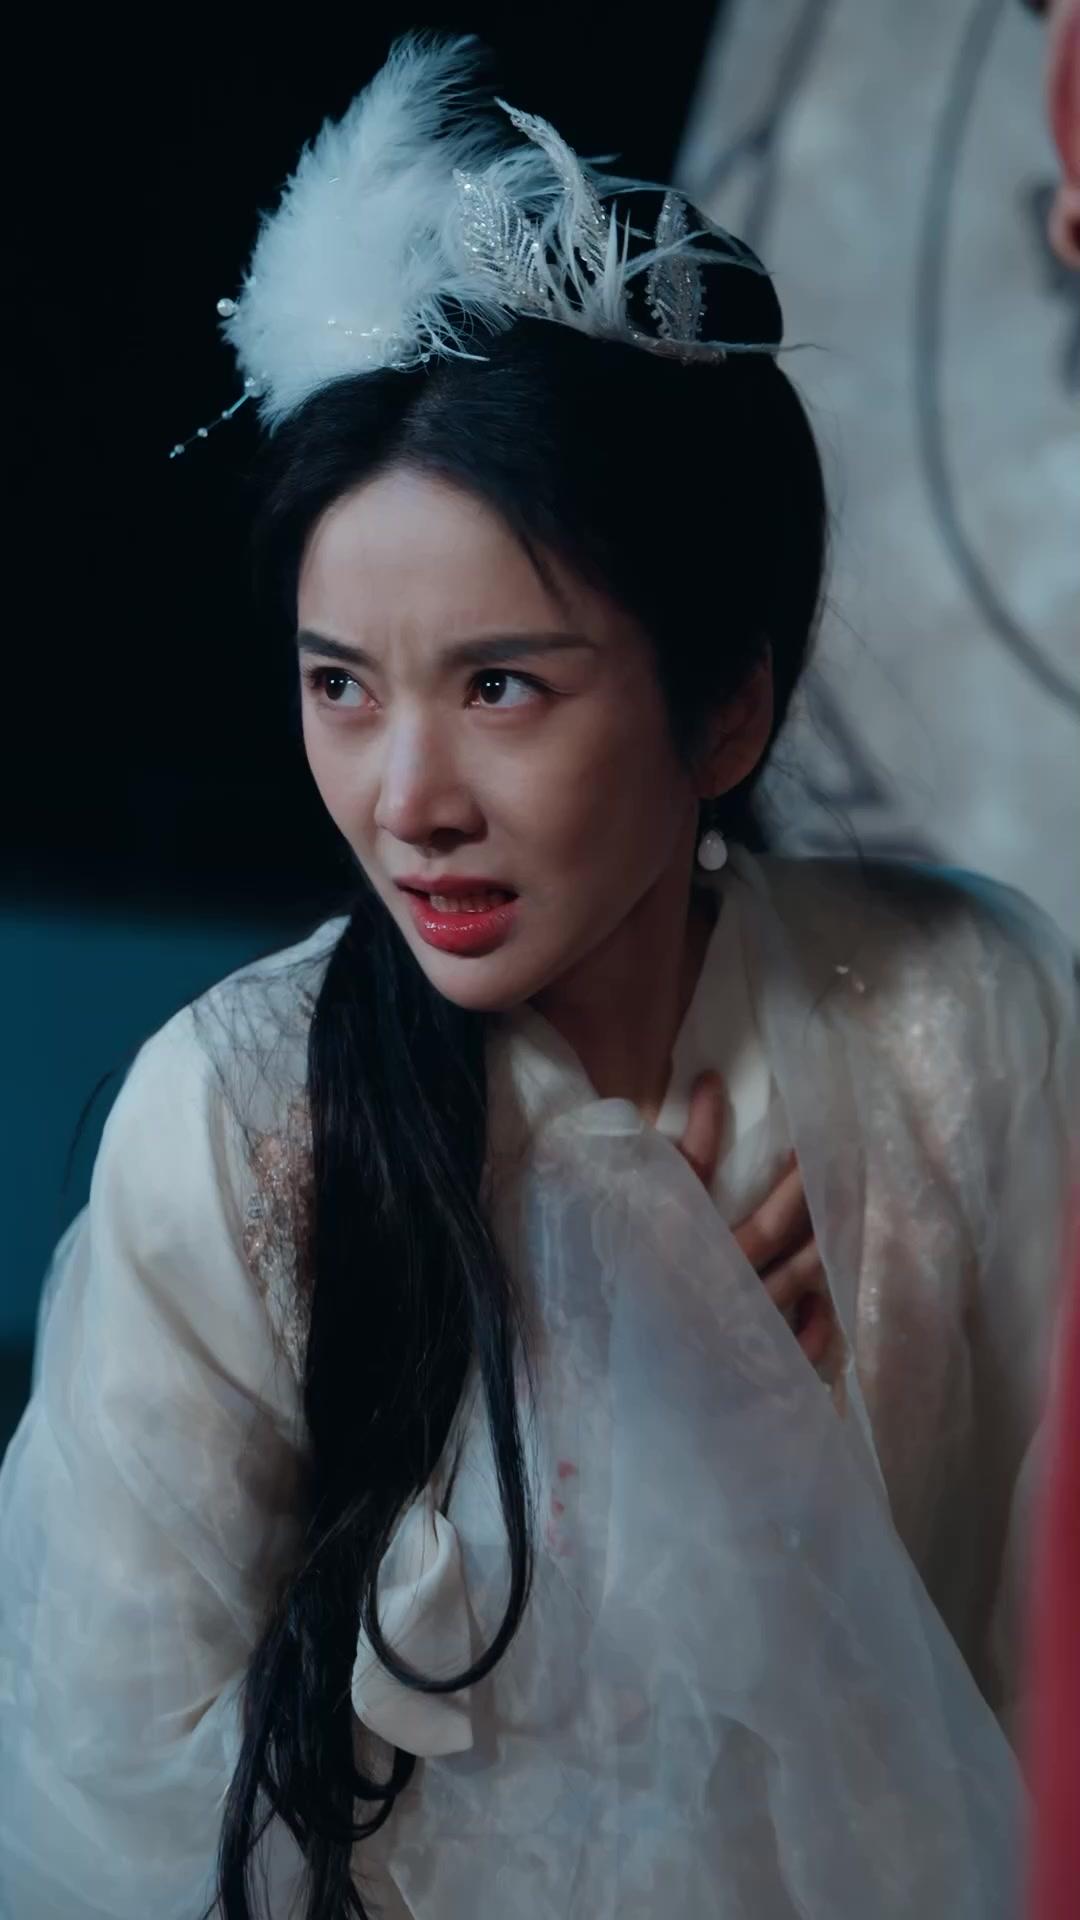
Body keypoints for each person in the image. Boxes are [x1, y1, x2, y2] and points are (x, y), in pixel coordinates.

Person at [0, 34, 1075, 1920]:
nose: (405, 800)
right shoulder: (239, 1129)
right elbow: (106, 1824)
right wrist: (563, 1486)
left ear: (725, 705)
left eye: (503, 685)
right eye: (341, 685)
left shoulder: (960, 1028)